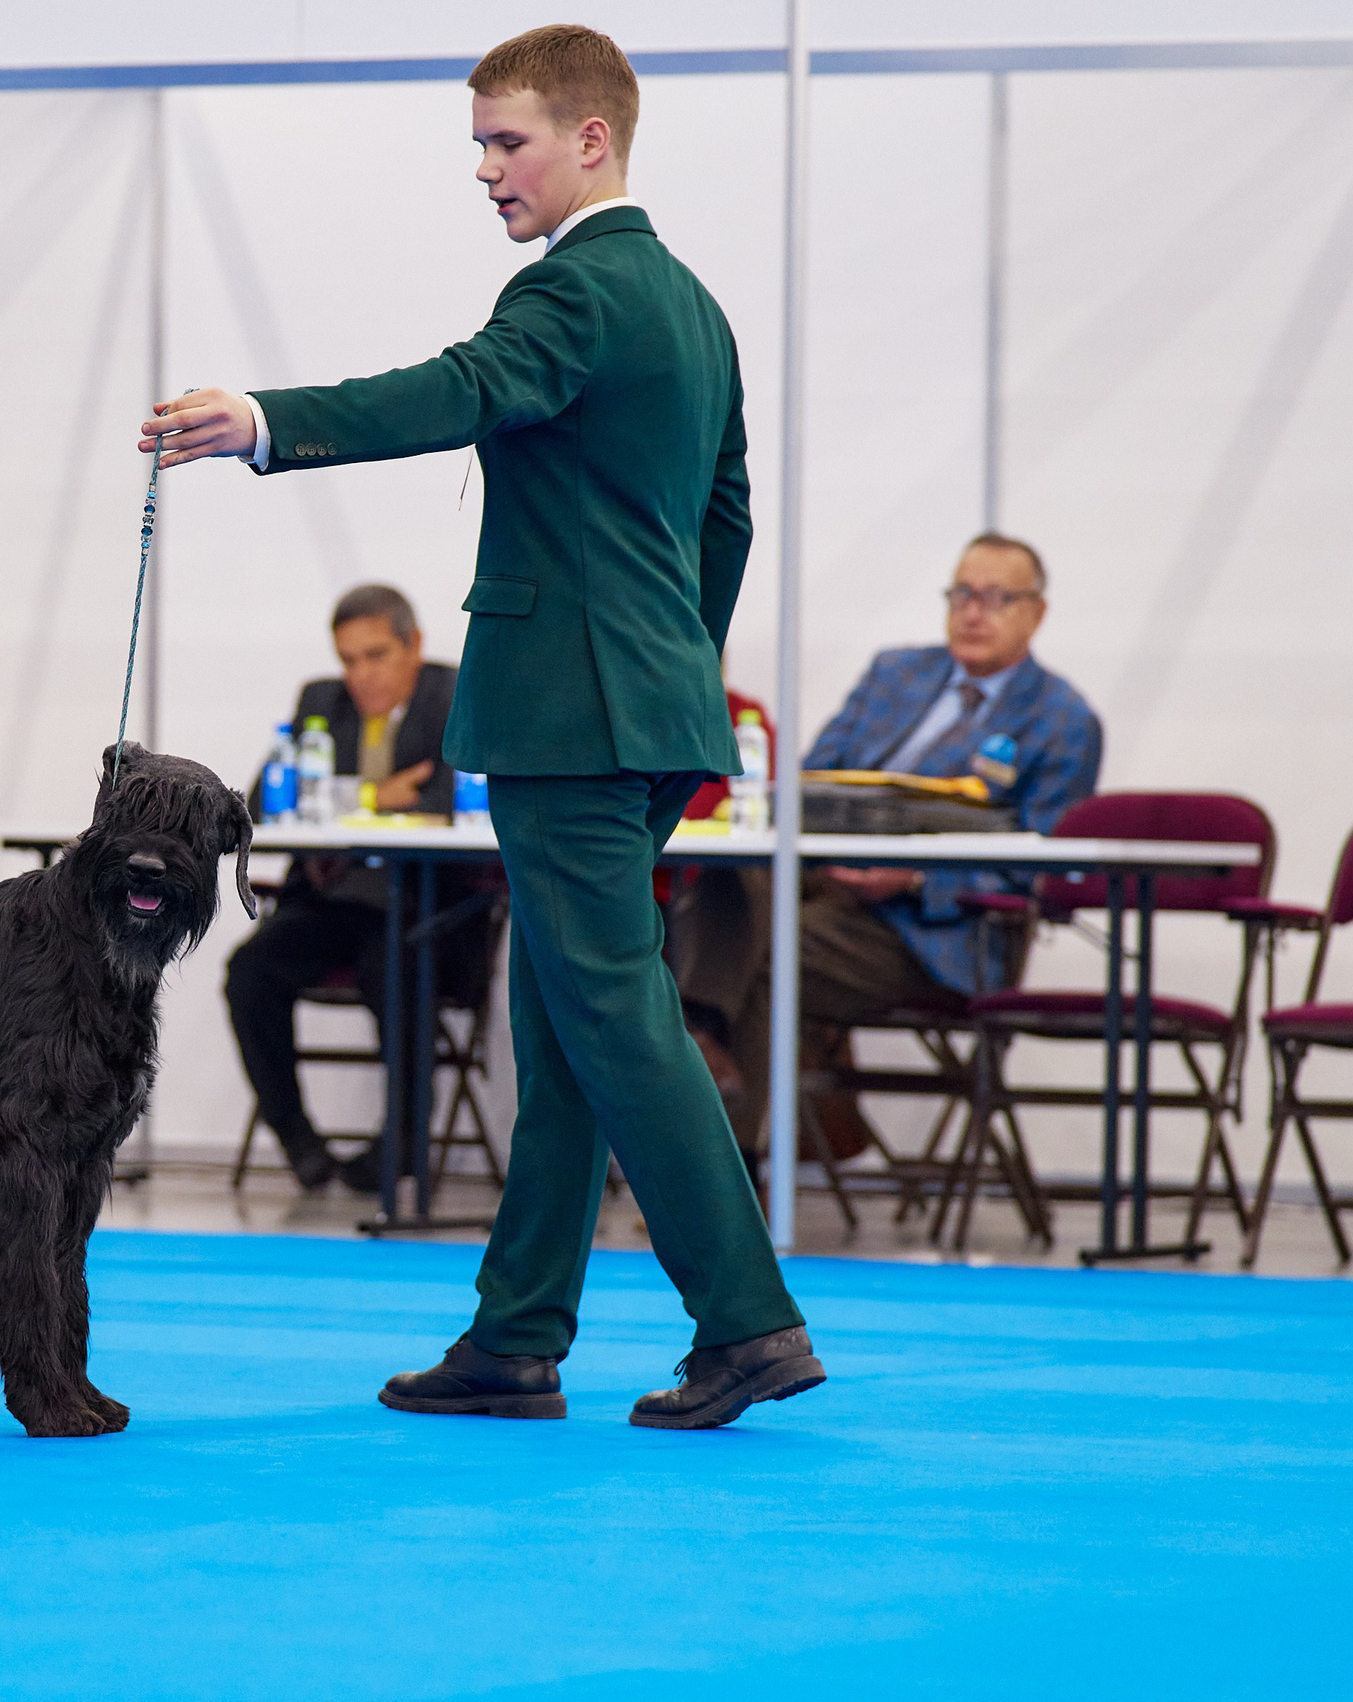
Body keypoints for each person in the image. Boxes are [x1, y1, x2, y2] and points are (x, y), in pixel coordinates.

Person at [139, 25, 819, 1429]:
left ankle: (747, 1323)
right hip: (642, 703)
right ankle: (516, 1341)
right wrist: (673, 662)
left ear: (593, 139)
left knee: (617, 1019)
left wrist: (262, 418)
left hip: (573, 714)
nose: (486, 170)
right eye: (478, 145)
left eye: (507, 142)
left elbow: (458, 390)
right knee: (564, 1023)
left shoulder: (577, 291)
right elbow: (728, 515)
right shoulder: (690, 305)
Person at [671, 532, 1103, 1146]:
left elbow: (1039, 871)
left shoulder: (1063, 721)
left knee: (767, 956)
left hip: (928, 928)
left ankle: (720, 1171)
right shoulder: (896, 673)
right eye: (961, 593)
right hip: (824, 878)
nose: (973, 612)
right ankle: (702, 1030)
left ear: (1037, 613)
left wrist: (915, 878)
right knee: (729, 876)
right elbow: (810, 780)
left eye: (996, 597)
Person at [226, 583, 467, 1193]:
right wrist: (373, 798)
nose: (360, 674)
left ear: (414, 645)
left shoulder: (453, 694)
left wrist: (335, 806)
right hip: (330, 902)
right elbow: (263, 803)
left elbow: (450, 801)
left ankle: (404, 1144)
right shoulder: (320, 700)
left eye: (376, 655)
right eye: (348, 659)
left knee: (396, 966)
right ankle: (300, 1141)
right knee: (249, 972)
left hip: (417, 904)